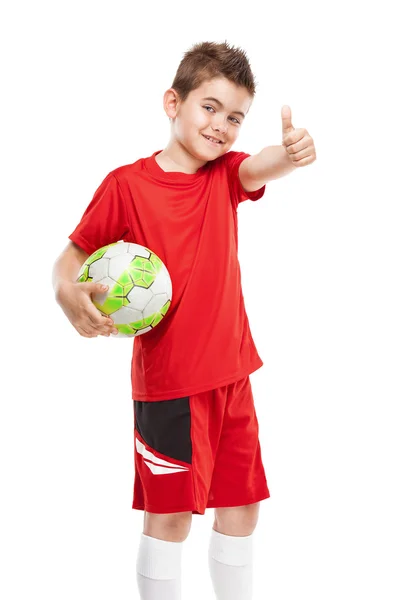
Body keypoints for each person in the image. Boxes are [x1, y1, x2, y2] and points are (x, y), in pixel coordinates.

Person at [52, 40, 316, 600]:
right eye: (210, 106)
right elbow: (73, 255)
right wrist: (64, 291)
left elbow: (261, 166)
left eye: (236, 117)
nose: (221, 125)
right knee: (170, 519)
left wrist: (289, 154)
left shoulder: (225, 176)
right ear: (173, 102)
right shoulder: (127, 185)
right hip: (170, 387)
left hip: (232, 376)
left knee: (242, 509)